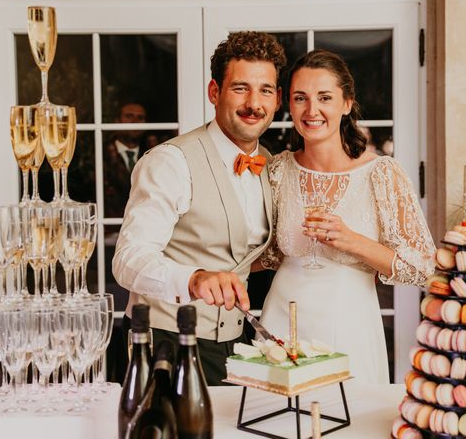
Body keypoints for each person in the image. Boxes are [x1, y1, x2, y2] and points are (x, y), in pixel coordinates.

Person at [113, 31, 287, 385]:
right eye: (240, 88)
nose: (254, 103)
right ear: (214, 92)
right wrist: (193, 279)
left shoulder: (271, 165)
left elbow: (239, 252)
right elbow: (128, 260)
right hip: (165, 342)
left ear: (277, 98)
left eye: (265, 90)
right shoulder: (170, 162)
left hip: (238, 344)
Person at [258, 50, 436, 384]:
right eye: (301, 98)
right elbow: (266, 253)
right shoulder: (277, 170)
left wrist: (352, 241)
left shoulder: (381, 173)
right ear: (290, 105)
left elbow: (421, 267)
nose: (312, 110)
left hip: (349, 321)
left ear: (346, 103)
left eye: (325, 97)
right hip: (280, 321)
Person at [103, 102, 148, 219]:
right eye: (129, 116)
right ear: (117, 121)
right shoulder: (99, 154)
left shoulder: (154, 154)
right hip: (107, 229)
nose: (135, 121)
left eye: (140, 118)